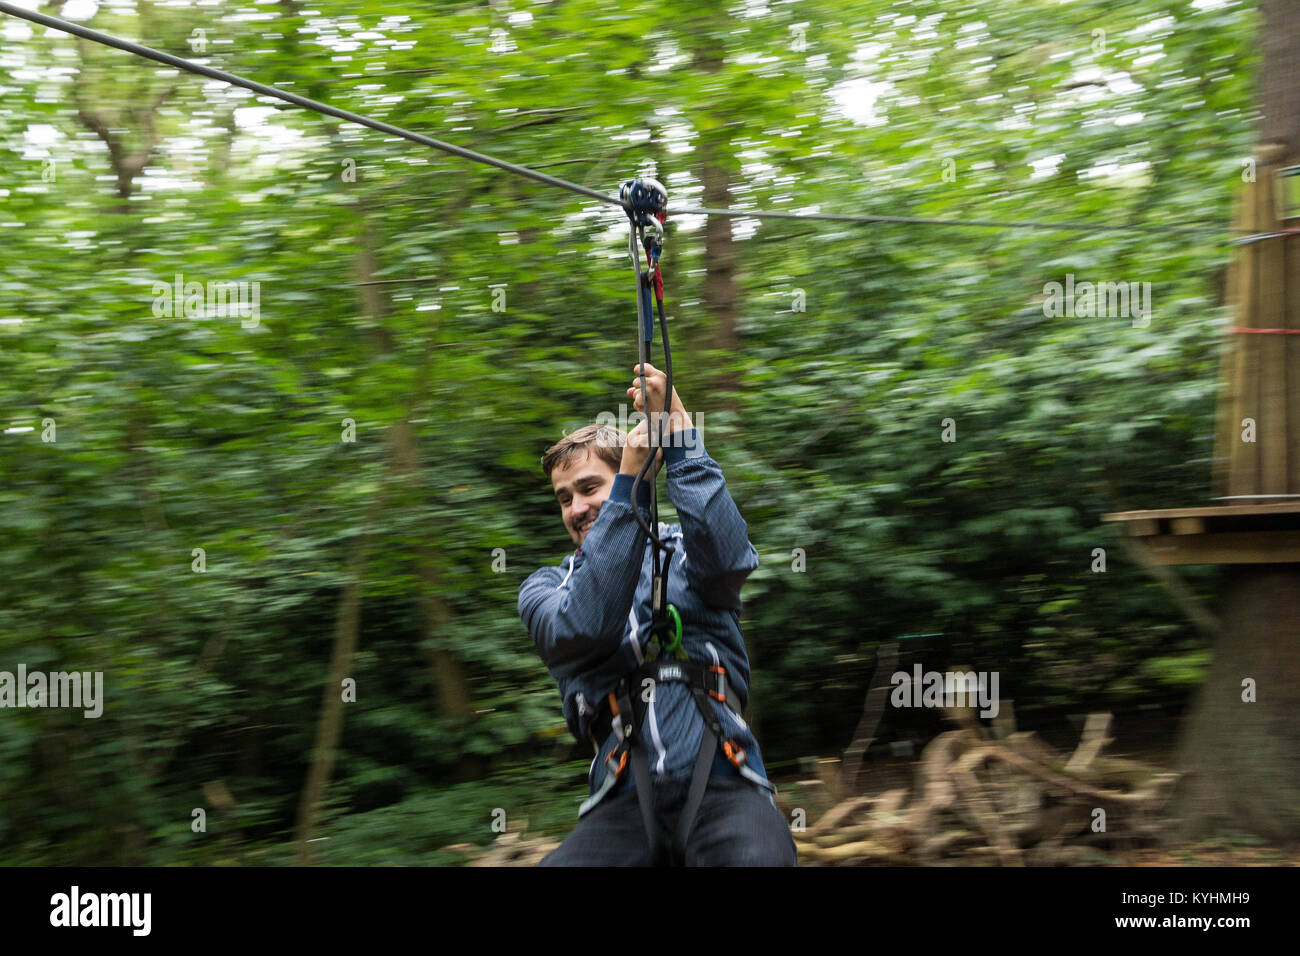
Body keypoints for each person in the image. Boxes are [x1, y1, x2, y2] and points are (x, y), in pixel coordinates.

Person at [518, 363, 796, 866]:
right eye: (564, 498)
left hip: (726, 784)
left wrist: (681, 434)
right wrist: (627, 485)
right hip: (621, 801)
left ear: (638, 476)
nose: (576, 508)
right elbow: (585, 627)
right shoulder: (545, 588)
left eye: (589, 487)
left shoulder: (688, 554)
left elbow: (729, 559)